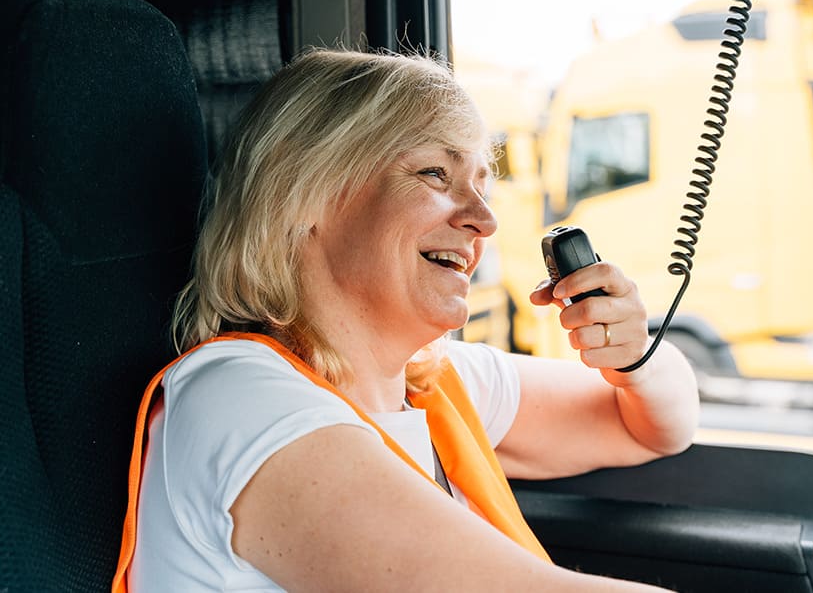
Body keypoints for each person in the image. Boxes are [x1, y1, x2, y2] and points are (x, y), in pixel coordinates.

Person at [114, 47, 699, 592]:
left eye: (481, 185)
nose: (484, 220)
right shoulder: (236, 400)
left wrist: (631, 357)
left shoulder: (432, 385)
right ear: (302, 197)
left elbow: (654, 426)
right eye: (434, 175)